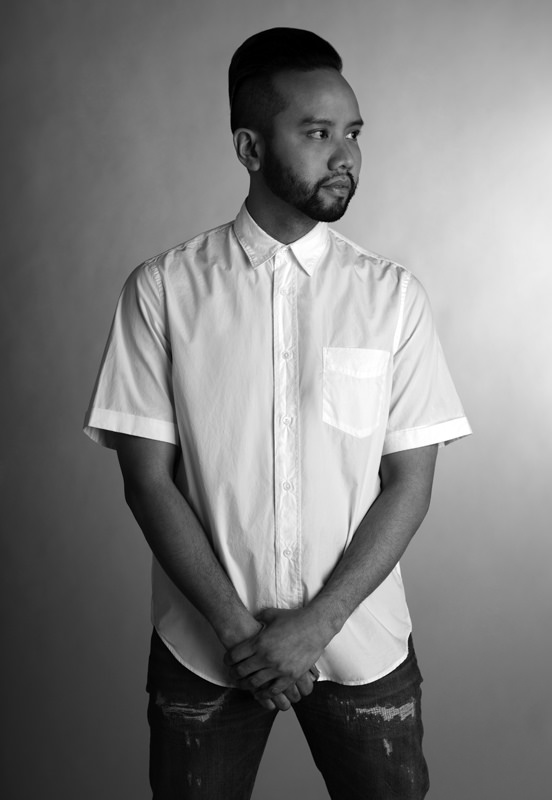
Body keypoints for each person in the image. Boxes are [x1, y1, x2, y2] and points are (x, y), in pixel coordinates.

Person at [84, 27, 471, 800]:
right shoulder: (163, 291)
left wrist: (317, 624)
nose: (346, 155)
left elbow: (410, 483)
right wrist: (240, 632)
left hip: (361, 642)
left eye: (353, 132)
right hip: (205, 647)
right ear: (251, 148)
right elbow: (147, 482)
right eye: (318, 133)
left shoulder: (392, 298)